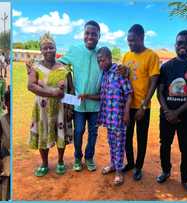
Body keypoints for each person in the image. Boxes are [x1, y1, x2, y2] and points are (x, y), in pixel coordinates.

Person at [81, 47, 132, 186]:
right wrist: (87, 96)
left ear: (109, 58)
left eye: (102, 60)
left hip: (120, 117)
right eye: (98, 61)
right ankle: (113, 164)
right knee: (111, 142)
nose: (100, 63)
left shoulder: (120, 72)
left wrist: (127, 113)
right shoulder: (104, 75)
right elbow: (102, 96)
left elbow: (129, 94)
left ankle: (119, 172)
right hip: (108, 117)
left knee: (120, 144)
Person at [27, 33, 73, 177]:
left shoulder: (64, 69)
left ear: (55, 49)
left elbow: (71, 89)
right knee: (43, 134)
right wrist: (53, 93)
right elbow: (31, 86)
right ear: (41, 50)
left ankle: (60, 161)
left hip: (60, 109)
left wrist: (70, 108)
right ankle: (45, 163)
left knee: (61, 134)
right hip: (42, 109)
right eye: (45, 48)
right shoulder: (36, 68)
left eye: (51, 47)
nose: (48, 51)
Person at [58, 20, 102, 172]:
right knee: (78, 131)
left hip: (96, 104)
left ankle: (89, 157)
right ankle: (77, 157)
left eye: (94, 34)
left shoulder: (101, 53)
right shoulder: (75, 50)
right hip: (77, 102)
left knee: (93, 132)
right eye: (87, 33)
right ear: (84, 35)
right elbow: (59, 64)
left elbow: (110, 67)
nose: (90, 36)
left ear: (99, 36)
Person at [120, 24, 160, 181]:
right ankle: (130, 163)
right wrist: (122, 73)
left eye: (133, 41)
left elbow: (154, 83)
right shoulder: (126, 56)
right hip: (128, 105)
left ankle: (138, 167)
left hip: (143, 107)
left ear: (142, 38)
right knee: (126, 137)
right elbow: (123, 79)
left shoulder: (152, 56)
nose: (130, 44)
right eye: (128, 41)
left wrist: (144, 106)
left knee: (141, 138)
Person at [156, 30, 187, 195]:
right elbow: (160, 91)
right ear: (175, 45)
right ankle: (166, 171)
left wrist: (176, 112)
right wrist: (167, 111)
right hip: (166, 116)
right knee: (165, 145)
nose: (183, 46)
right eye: (180, 43)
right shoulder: (166, 67)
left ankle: (185, 179)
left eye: (186, 42)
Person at [0, 88, 10, 200]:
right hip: (5, 158)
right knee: (4, 189)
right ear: (6, 102)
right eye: (9, 101)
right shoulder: (1, 120)